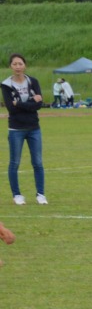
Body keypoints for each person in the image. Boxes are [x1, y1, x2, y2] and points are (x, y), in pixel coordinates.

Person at [3, 53, 46, 206]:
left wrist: (19, 103)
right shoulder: (6, 85)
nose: (18, 67)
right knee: (14, 162)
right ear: (10, 66)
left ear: (25, 65)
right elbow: (11, 108)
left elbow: (38, 105)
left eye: (20, 64)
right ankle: (17, 195)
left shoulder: (33, 81)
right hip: (16, 129)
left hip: (34, 128)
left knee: (38, 162)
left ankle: (41, 194)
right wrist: (31, 101)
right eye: (14, 64)